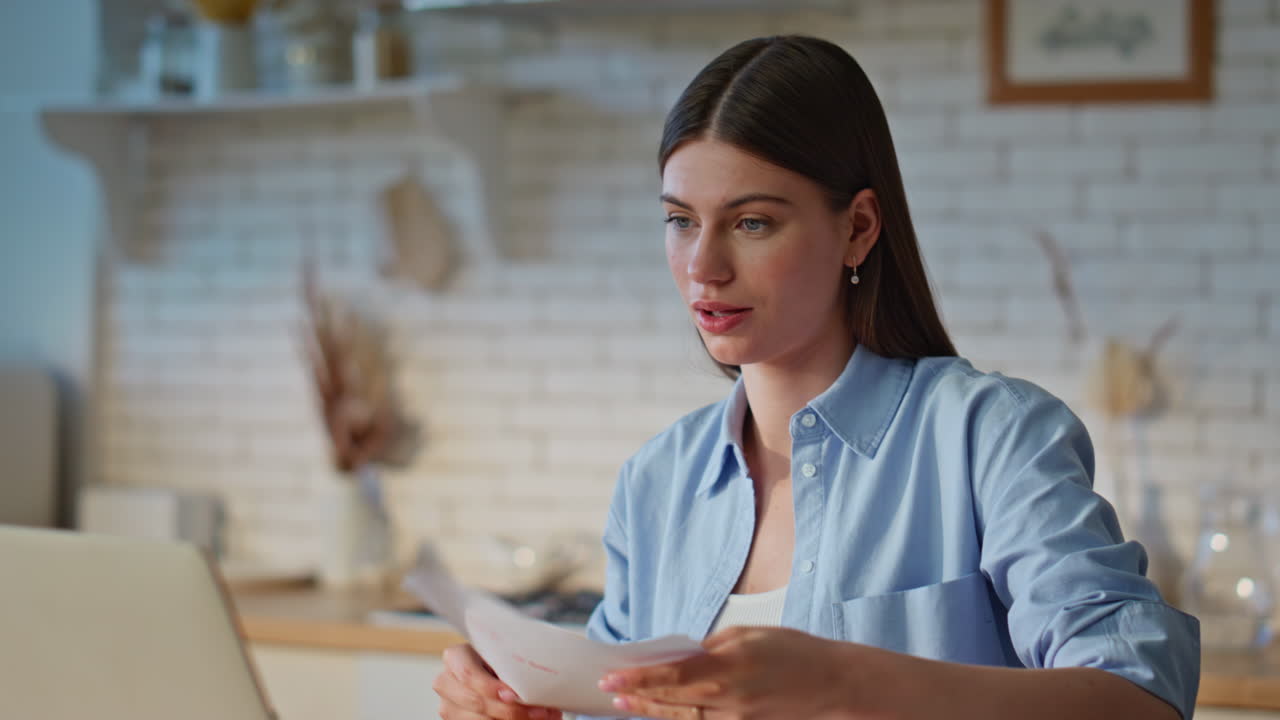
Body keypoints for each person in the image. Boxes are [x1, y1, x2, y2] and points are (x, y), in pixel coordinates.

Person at [431, 35, 1200, 720]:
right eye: (680, 220)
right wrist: (515, 706)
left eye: (752, 222)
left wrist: (843, 680)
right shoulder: (657, 481)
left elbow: (1141, 694)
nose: (703, 266)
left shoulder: (990, 438)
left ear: (858, 227)